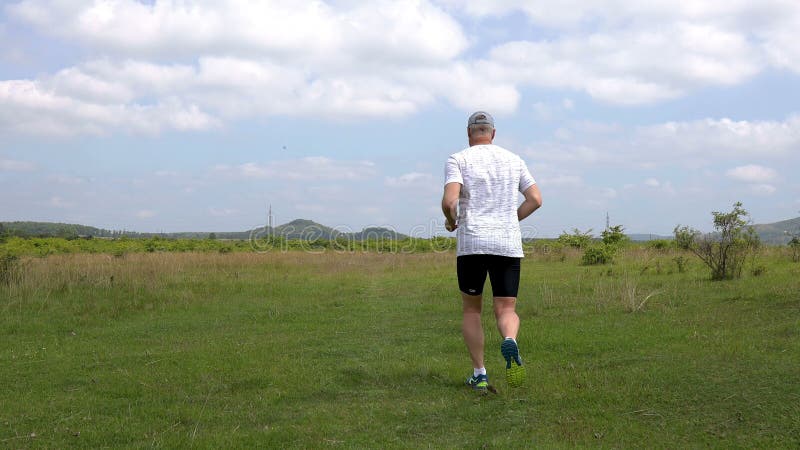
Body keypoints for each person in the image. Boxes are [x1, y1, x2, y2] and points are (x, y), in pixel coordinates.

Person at [441, 111, 542, 391]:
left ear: (468, 133)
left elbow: (450, 201)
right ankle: (509, 339)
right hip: (506, 244)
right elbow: (535, 199)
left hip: (472, 244)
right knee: (506, 308)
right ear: (493, 134)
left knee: (472, 311)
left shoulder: (458, 159)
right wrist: (510, 220)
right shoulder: (514, 160)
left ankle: (480, 374)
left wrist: (452, 221)